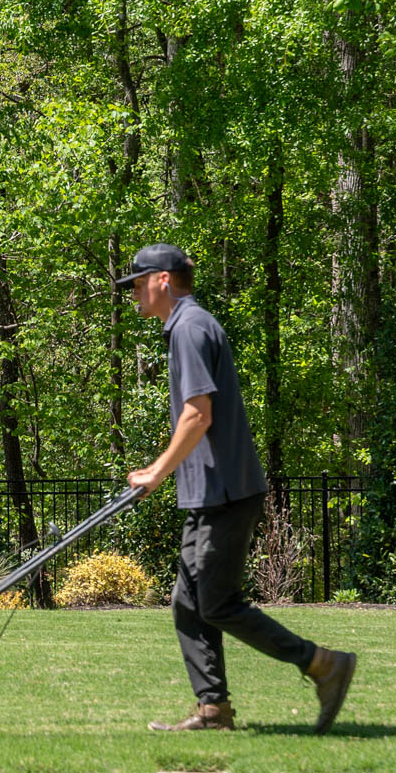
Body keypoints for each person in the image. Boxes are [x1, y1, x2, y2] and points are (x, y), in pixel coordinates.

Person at [116, 244, 356, 733]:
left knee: (217, 603)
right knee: (189, 601)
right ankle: (213, 709)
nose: (133, 294)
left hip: (224, 493)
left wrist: (156, 472)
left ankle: (322, 664)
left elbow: (198, 414)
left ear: (163, 280)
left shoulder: (188, 327)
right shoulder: (189, 325)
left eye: (137, 284)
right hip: (210, 493)